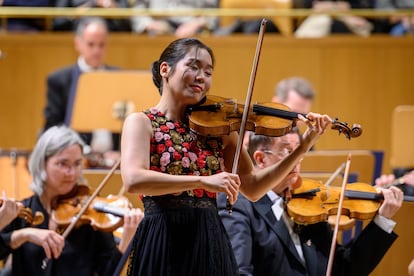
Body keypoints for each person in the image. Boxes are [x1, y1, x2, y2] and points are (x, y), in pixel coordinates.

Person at [120, 37, 331, 275]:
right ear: (165, 69)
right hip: (162, 236)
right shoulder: (141, 123)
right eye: (193, 66)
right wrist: (202, 181)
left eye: (208, 72)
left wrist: (302, 148)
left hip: (208, 239)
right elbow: (133, 179)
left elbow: (253, 187)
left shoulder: (220, 131)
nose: (202, 77)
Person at [218, 131, 404, 276]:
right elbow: (239, 271)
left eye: (300, 151)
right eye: (288, 152)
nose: (297, 160)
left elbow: (344, 270)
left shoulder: (309, 204)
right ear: (260, 159)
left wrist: (382, 220)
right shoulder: (237, 205)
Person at [0, 125, 144, 275]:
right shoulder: (23, 212)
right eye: (63, 164)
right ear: (42, 163)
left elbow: (108, 271)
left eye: (77, 164)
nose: (72, 173)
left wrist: (127, 238)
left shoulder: (90, 214)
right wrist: (23, 234)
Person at [43, 16, 121, 164]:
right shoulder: (59, 79)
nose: (97, 50)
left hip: (114, 161)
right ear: (78, 44)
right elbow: (53, 126)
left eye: (101, 45)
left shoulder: (118, 76)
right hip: (77, 160)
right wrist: (82, 151)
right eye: (91, 44)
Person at [130, 0, 219, 37]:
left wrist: (196, 23)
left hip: (194, 29)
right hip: (157, 30)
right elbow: (138, 8)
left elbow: (212, 11)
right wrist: (149, 24)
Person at [53, 0, 132, 32]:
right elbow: (58, 23)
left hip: (113, 41)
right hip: (75, 37)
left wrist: (113, 7)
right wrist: (79, 12)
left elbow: (128, 24)